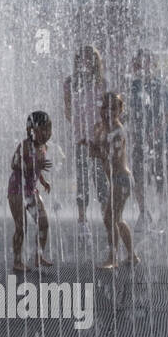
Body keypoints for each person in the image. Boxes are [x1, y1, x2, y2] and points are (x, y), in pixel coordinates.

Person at [127, 49, 168, 233]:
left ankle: (163, 217)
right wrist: (132, 133)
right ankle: (144, 214)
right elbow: (131, 113)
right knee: (137, 178)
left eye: (144, 63)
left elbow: (167, 114)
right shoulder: (134, 86)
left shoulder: (159, 86)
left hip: (162, 141)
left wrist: (154, 134)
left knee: (162, 180)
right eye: (138, 64)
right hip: (140, 141)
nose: (141, 67)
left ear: (152, 65)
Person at [63, 45, 107, 245]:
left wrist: (99, 134)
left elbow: (106, 113)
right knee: (82, 181)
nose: (86, 62)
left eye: (90, 59)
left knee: (100, 180)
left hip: (98, 141)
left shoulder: (102, 83)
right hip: (81, 139)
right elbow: (68, 111)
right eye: (82, 58)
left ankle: (108, 221)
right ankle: (82, 221)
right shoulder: (70, 83)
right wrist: (80, 131)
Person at [91, 92, 138, 270]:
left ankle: (113, 258)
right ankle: (132, 255)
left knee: (109, 217)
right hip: (116, 180)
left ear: (120, 110)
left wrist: (97, 151)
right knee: (116, 218)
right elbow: (97, 147)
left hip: (122, 179)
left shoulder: (118, 131)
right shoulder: (102, 128)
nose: (108, 111)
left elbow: (114, 157)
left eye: (113, 108)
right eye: (105, 107)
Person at [8, 111, 54, 273]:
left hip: (31, 191)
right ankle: (17, 260)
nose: (47, 133)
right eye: (43, 129)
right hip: (17, 190)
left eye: (49, 129)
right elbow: (14, 165)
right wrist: (35, 167)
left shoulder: (43, 147)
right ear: (31, 130)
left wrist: (42, 181)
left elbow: (37, 169)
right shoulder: (25, 146)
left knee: (43, 223)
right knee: (22, 226)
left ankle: (39, 256)